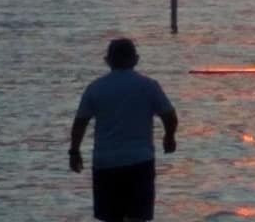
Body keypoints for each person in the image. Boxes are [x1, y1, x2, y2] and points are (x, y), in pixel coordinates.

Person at [69, 38, 177, 222]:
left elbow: (80, 122)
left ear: (107, 60)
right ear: (135, 59)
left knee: (111, 217)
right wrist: (169, 137)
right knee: (138, 217)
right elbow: (169, 116)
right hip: (140, 161)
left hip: (106, 162)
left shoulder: (95, 88)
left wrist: (74, 151)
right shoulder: (148, 86)